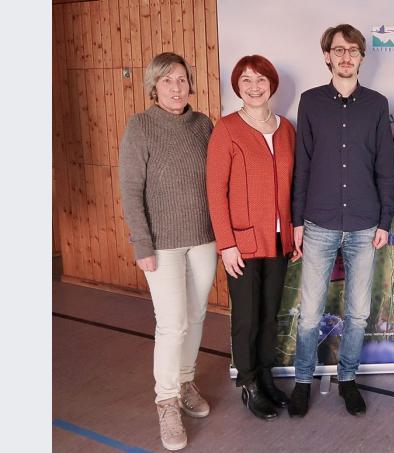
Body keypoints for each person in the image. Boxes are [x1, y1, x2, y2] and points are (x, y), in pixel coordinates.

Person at [288, 24, 394, 418]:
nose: (346, 56)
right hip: (317, 222)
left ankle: (347, 379)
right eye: (339, 50)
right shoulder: (311, 102)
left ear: (362, 57)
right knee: (311, 311)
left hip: (366, 224)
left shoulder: (376, 104)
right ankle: (302, 381)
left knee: (357, 312)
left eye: (353, 50)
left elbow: (386, 167)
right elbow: (303, 165)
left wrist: (386, 219)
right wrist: (297, 220)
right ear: (327, 56)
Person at [119, 52, 216, 451]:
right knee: (172, 323)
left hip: (204, 238)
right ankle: (167, 401)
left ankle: (186, 379)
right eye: (166, 81)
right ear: (153, 87)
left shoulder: (203, 124)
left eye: (181, 79)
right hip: (162, 244)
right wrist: (142, 243)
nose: (176, 88)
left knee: (195, 317)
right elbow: (130, 190)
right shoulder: (140, 126)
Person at [206, 55, 295, 421]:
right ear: (237, 86)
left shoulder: (286, 128)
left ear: (271, 84)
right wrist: (226, 243)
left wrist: (294, 231)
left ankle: (266, 376)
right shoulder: (226, 129)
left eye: (261, 79)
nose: (254, 86)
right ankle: (248, 383)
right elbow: (215, 190)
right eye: (246, 80)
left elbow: (294, 185)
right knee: (247, 317)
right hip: (241, 243)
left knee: (270, 315)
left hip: (279, 240)